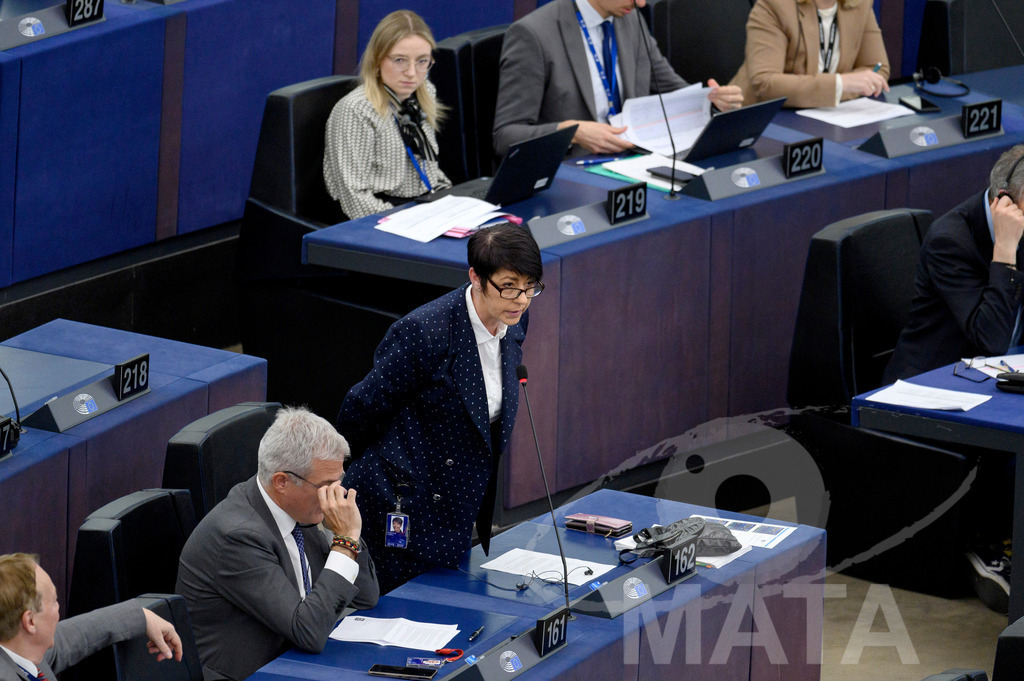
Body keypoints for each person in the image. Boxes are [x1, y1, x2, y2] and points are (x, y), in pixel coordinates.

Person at [337, 222, 543, 593]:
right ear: (476, 278)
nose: (522, 298)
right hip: (403, 507)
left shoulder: (514, 317)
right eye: (509, 285)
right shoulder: (426, 332)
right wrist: (393, 471)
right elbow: (360, 409)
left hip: (459, 502)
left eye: (531, 286)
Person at [176, 407, 379, 681]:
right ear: (282, 482)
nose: (338, 495)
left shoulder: (302, 509)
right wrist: (345, 542)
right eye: (327, 485)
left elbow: (365, 597)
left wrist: (346, 536)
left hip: (292, 662)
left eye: (339, 481)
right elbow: (309, 632)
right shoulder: (237, 537)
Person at [492, 0, 744, 157]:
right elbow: (506, 137)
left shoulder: (629, 18)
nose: (642, 3)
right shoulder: (533, 34)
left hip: (631, 158)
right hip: (572, 167)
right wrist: (573, 132)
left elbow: (670, 88)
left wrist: (710, 100)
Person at [885, 144, 1024, 383]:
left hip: (1003, 377)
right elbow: (992, 339)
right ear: (1004, 203)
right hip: (936, 387)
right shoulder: (950, 242)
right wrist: (1004, 251)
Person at [323, 10, 452, 219]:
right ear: (377, 61)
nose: (412, 72)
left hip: (420, 205)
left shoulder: (423, 92)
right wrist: (405, 221)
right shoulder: (356, 110)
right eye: (400, 60)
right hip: (378, 215)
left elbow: (428, 169)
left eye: (422, 61)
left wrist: (449, 200)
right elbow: (354, 199)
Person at [0, 553, 182, 681]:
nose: (58, 610)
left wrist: (142, 616)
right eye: (54, 601)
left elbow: (74, 635)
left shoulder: (19, 648)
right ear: (30, 622)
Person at [729, 0, 890, 109]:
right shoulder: (775, 5)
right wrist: (840, 84)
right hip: (767, 119)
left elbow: (876, 70)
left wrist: (841, 88)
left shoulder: (859, 4)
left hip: (827, 117)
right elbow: (764, 83)